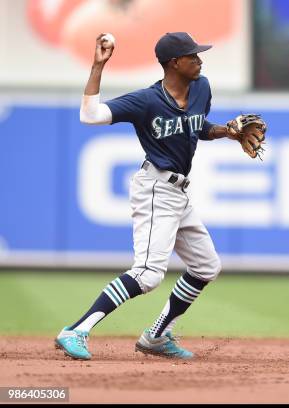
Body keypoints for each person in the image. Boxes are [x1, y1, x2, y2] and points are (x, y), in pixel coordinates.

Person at [54, 32, 265, 360]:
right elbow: (90, 115)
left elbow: (195, 127)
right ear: (174, 63)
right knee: (148, 273)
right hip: (154, 187)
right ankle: (76, 329)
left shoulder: (201, 87)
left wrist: (226, 131)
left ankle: (155, 336)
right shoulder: (146, 101)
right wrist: (98, 66)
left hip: (179, 192)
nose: (200, 60)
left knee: (206, 265)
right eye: (193, 56)